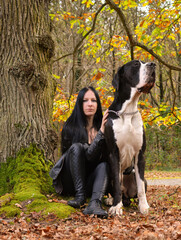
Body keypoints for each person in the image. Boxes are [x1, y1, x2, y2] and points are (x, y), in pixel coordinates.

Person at [49, 86, 109, 218]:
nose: (90, 104)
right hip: (71, 182)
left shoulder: (103, 127)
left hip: (92, 183)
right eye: (85, 100)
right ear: (79, 103)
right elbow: (84, 156)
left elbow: (102, 159)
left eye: (93, 100)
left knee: (104, 165)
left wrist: (102, 131)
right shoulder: (70, 126)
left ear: (98, 104)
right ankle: (80, 197)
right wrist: (101, 134)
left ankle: (94, 203)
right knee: (76, 147)